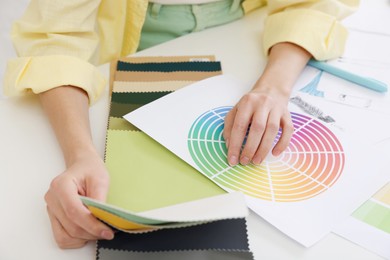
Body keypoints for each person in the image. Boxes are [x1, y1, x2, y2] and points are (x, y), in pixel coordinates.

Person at [4, 0, 358, 249]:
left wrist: (273, 87)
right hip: (126, 49)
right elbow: (54, 39)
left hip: (252, 35)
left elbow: (314, 4)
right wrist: (80, 154)